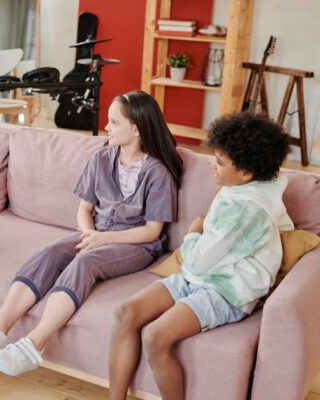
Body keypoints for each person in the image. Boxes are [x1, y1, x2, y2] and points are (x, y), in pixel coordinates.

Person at [0, 90, 184, 376]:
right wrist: (89, 235)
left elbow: (152, 230)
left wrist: (101, 240)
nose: (107, 128)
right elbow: (84, 210)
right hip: (96, 233)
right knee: (50, 252)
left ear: (136, 128)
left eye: (114, 122)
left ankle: (34, 345)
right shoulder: (101, 159)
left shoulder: (157, 173)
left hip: (136, 244)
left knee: (84, 262)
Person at [108, 111, 293, 400]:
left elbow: (196, 259)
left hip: (225, 291)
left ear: (246, 172)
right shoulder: (255, 185)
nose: (212, 166)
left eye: (220, 162)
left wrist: (194, 232)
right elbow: (281, 224)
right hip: (199, 277)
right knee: (125, 312)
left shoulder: (245, 208)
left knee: (155, 336)